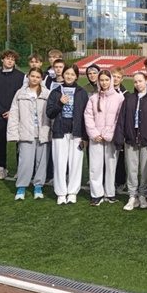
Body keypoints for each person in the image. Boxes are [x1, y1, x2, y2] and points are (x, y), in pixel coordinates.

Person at [114, 72, 147, 211]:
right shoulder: (129, 99)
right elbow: (121, 120)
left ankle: (142, 195)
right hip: (131, 141)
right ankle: (132, 196)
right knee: (131, 170)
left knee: (145, 170)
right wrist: (120, 138)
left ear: (145, 82)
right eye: (135, 82)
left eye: (140, 81)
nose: (138, 84)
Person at [46, 64, 89, 205]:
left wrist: (85, 137)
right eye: (67, 73)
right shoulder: (55, 92)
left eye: (72, 74)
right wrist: (59, 103)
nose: (69, 76)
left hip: (77, 133)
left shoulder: (82, 92)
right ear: (63, 75)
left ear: (76, 76)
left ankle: (72, 192)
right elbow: (49, 113)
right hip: (59, 132)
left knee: (75, 164)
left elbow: (86, 116)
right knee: (59, 163)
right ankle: (61, 193)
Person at [7, 67, 51, 200]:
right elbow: (14, 114)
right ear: (28, 76)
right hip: (26, 133)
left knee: (41, 162)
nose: (35, 79)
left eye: (38, 77)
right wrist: (13, 134)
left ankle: (38, 186)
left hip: (43, 132)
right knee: (25, 161)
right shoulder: (20, 93)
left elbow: (52, 114)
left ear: (41, 79)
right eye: (32, 76)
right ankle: (21, 187)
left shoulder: (47, 93)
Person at [84, 70, 125, 206]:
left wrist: (109, 134)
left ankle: (110, 193)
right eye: (101, 80)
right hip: (96, 138)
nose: (104, 82)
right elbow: (88, 116)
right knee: (95, 166)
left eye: (107, 80)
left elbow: (119, 118)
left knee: (111, 166)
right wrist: (94, 133)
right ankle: (96, 194)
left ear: (111, 81)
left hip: (110, 138)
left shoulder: (119, 98)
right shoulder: (93, 98)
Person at [0, 50, 25, 180]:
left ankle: (20, 169)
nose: (10, 61)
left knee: (20, 143)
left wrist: (12, 112)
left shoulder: (21, 76)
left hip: (16, 114)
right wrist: (2, 111)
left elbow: (22, 95)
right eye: (8, 58)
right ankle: (1, 168)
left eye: (12, 59)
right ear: (2, 60)